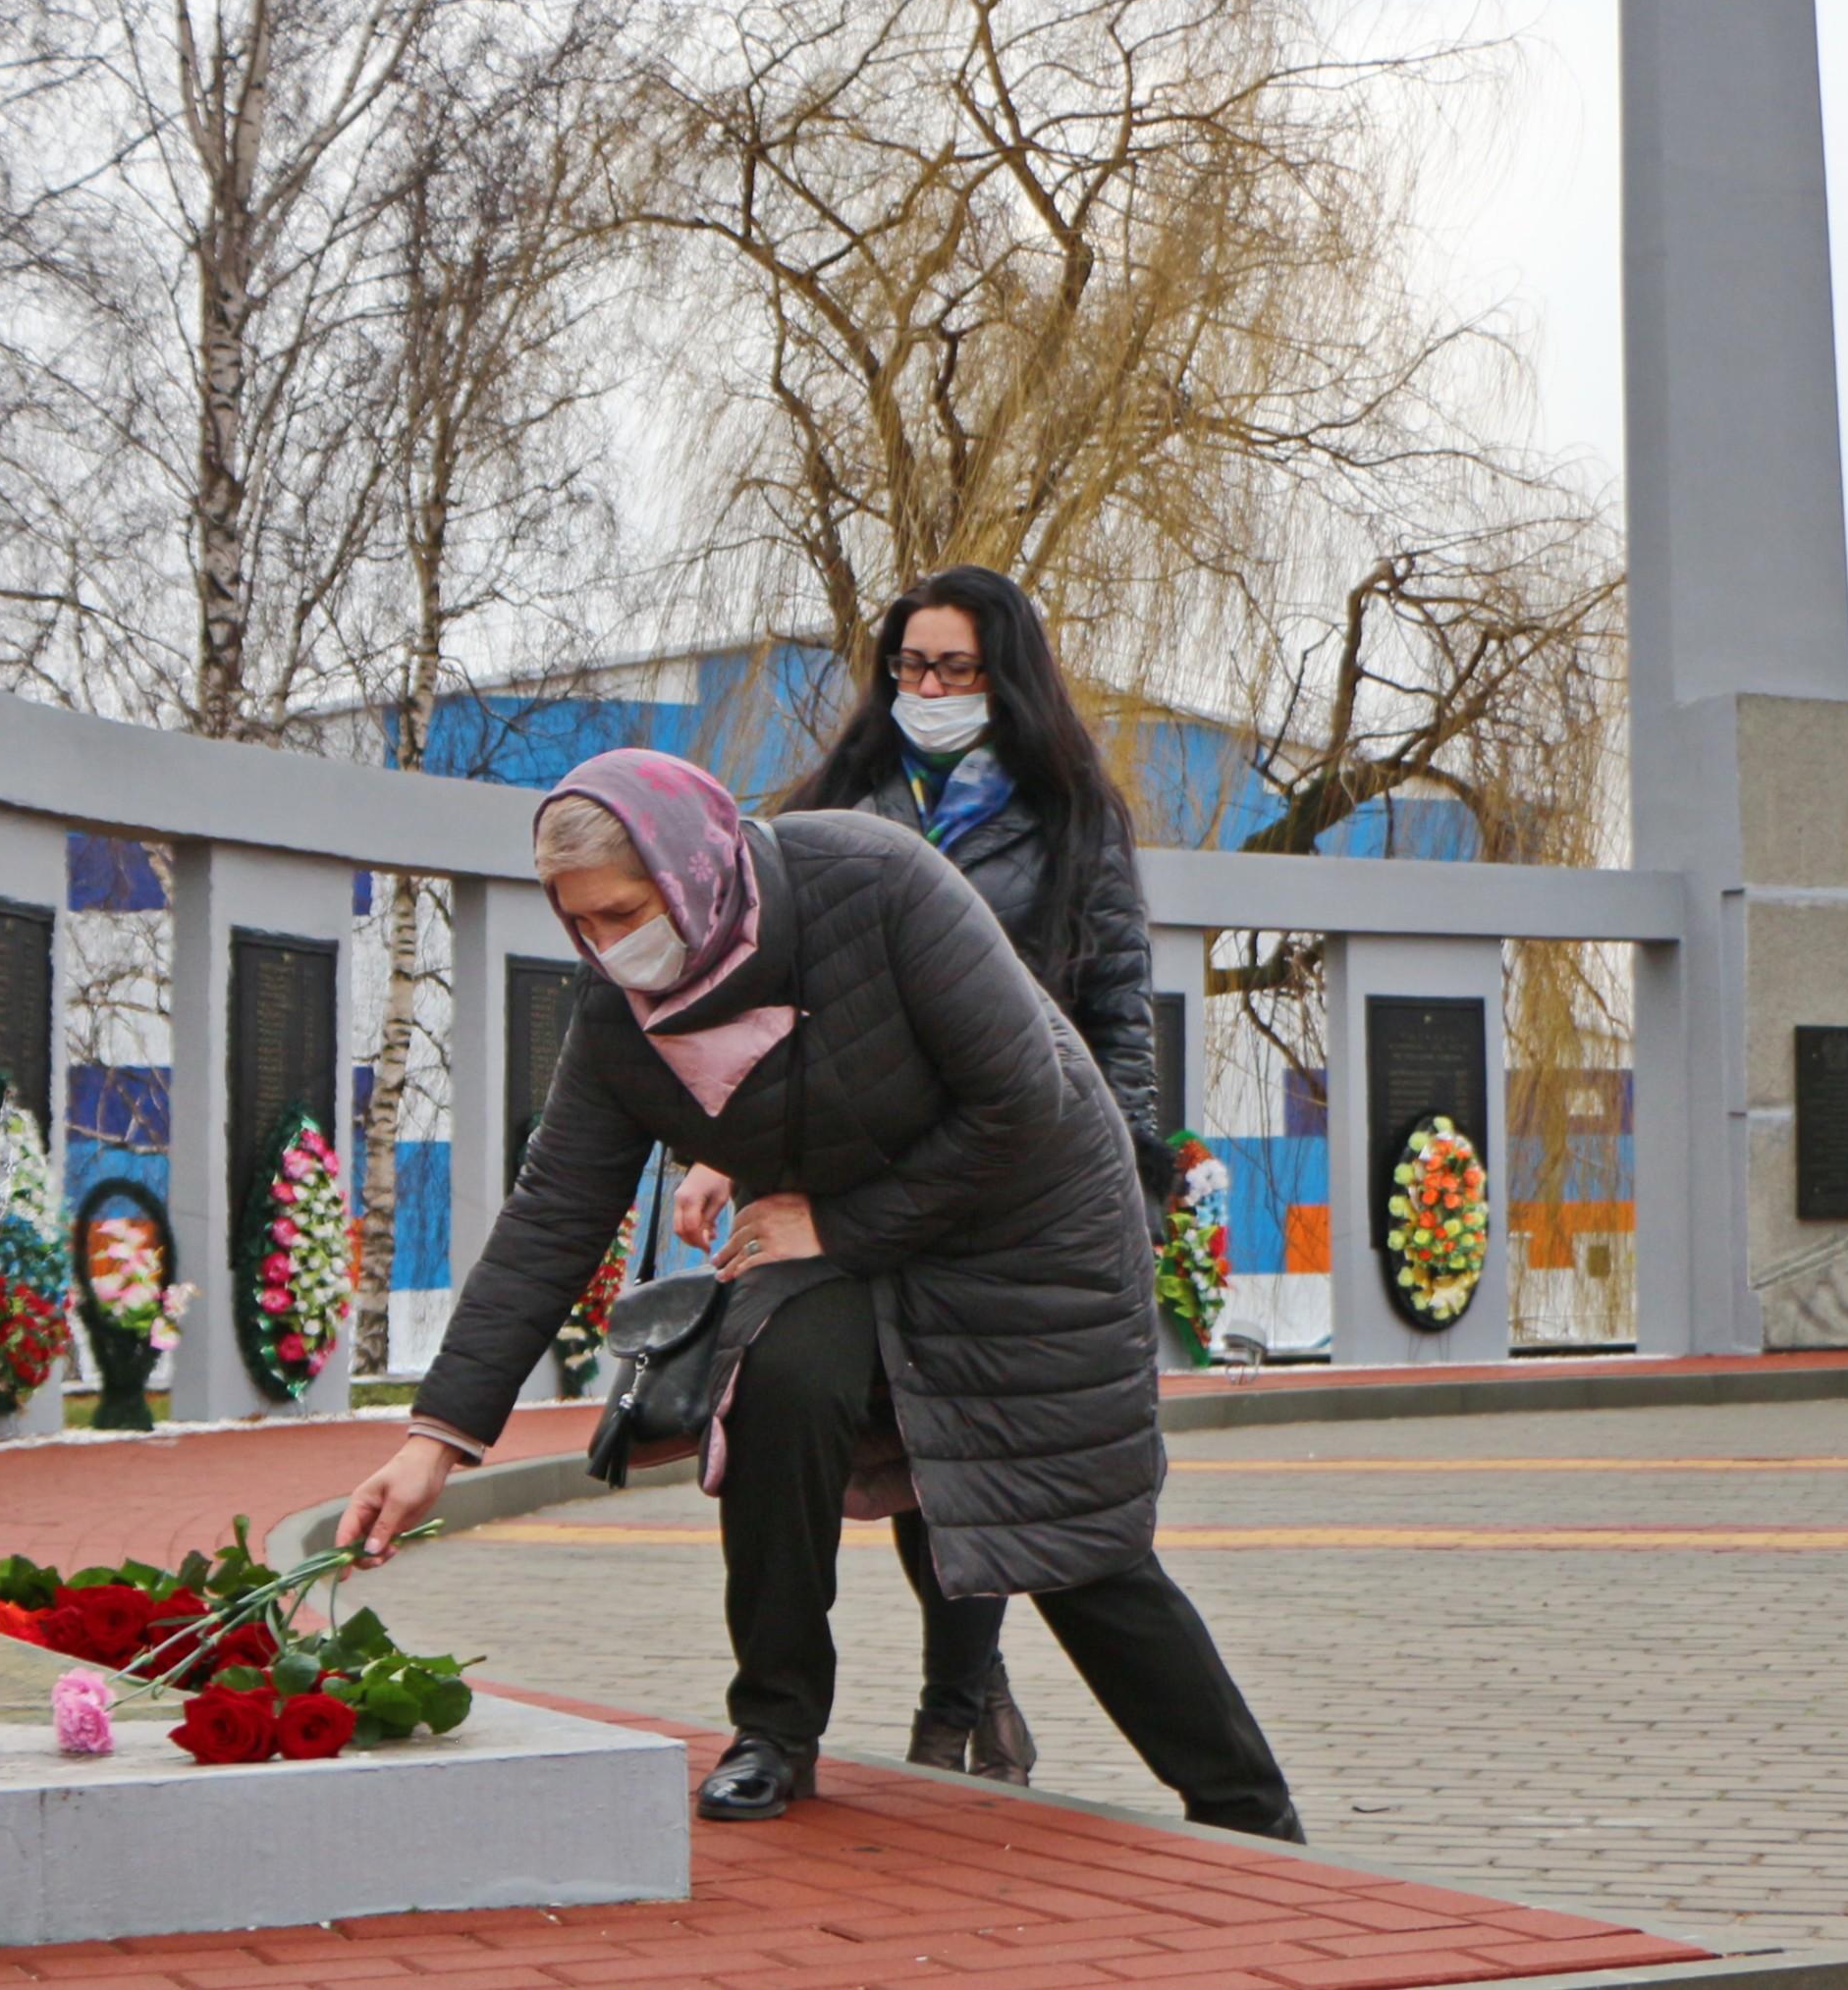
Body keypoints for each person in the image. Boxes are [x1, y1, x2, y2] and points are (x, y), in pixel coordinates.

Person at [338, 747, 1298, 1836]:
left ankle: (1248, 1810)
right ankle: (776, 1729)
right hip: (832, 1239)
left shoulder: (876, 880)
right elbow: (552, 1216)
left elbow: (1023, 1104)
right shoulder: (622, 1018)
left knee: (1069, 1534)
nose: (608, 947)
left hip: (1024, 1224)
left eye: (623, 913)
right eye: (582, 926)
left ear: (690, 868)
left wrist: (833, 1224)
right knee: (780, 1390)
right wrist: (439, 1440)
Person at [664, 565, 1157, 1785]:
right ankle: (778, 1725)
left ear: (1009, 682)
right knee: (790, 1401)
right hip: (838, 1178)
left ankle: (960, 1697)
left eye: (958, 671)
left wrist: (1123, 1183)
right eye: (913, 668)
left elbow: (1116, 1015)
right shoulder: (827, 807)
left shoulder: (1077, 823)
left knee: (961, 1442)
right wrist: (723, 1143)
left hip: (1003, 1185)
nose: (929, 691)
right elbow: (756, 996)